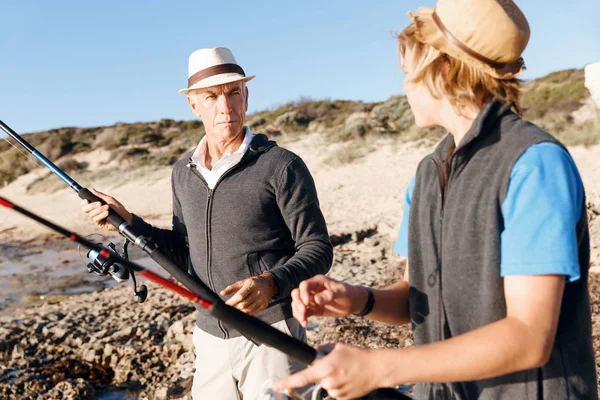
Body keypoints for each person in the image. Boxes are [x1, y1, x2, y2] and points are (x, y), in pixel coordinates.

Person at [273, 1, 598, 399]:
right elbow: (417, 298)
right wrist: (357, 298)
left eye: (408, 73)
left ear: (443, 70)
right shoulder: (429, 172)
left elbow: (529, 336)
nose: (404, 87)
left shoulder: (534, 163)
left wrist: (381, 368)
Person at [81, 47, 333, 399]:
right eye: (211, 96)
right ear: (193, 105)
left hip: (273, 332)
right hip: (210, 337)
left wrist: (271, 283)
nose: (225, 106)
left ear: (246, 96)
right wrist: (128, 221)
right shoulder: (182, 173)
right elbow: (183, 253)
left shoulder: (281, 165)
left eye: (233, 92)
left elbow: (318, 248)